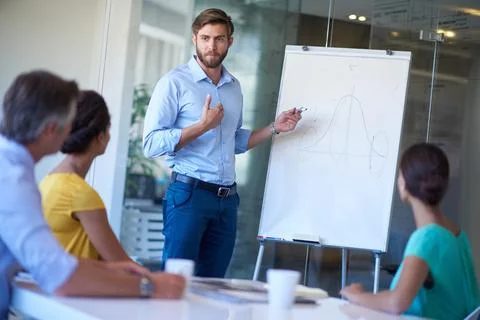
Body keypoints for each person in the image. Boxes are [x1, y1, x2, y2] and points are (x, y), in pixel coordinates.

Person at [0, 70, 185, 319]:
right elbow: (61, 277)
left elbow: (36, 260)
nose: (72, 131)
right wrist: (151, 286)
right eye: (69, 122)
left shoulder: (22, 172)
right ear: (51, 130)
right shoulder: (13, 181)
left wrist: (104, 268)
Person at [143, 8, 302, 278]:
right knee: (175, 282)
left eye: (219, 38)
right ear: (194, 39)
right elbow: (151, 144)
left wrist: (275, 127)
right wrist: (202, 126)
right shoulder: (174, 83)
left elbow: (234, 141)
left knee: (213, 285)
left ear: (230, 41)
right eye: (205, 38)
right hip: (189, 196)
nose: (211, 46)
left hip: (226, 201)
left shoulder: (234, 87)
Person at [340, 143, 479, 320]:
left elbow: (396, 303)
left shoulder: (427, 238)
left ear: (403, 184)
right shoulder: (456, 233)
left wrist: (357, 296)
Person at [40, 90, 131, 262]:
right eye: (108, 128)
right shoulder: (80, 195)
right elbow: (122, 264)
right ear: (101, 136)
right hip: (79, 288)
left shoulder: (47, 182)